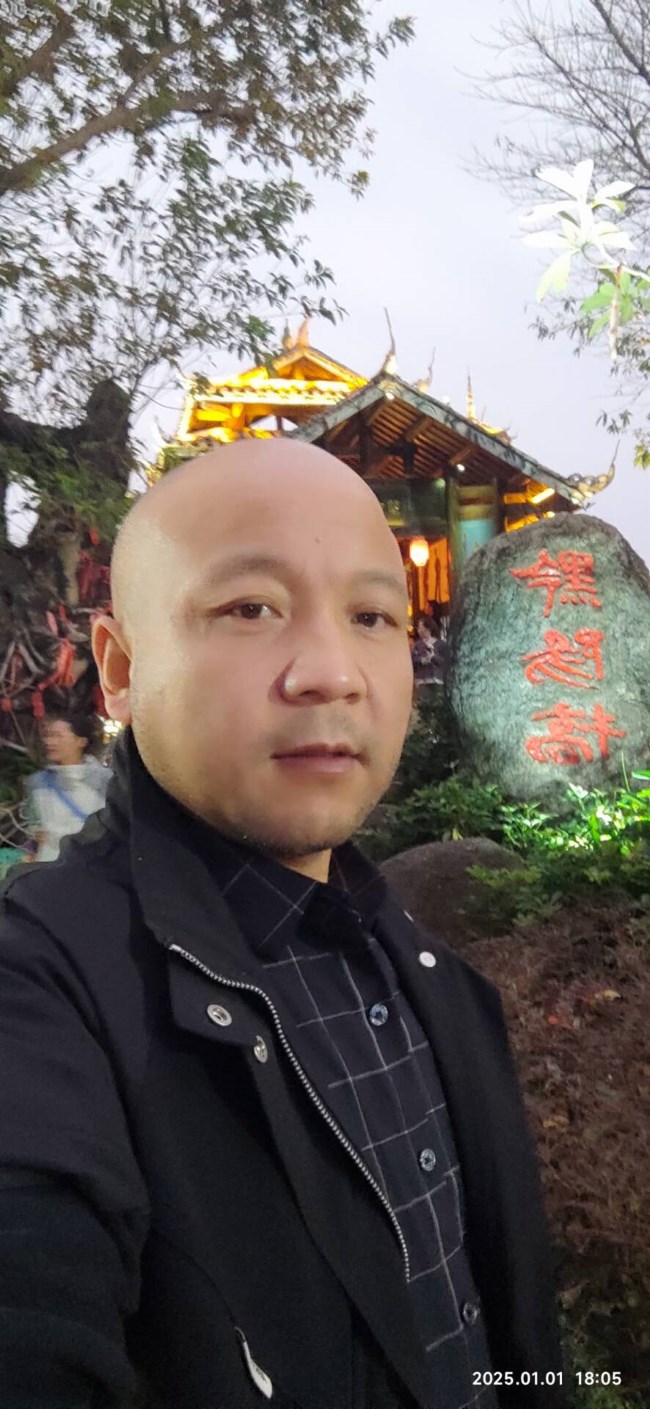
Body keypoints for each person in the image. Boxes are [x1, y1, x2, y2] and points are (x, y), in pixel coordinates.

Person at [0, 440, 565, 1409]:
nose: (331, 673)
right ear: (120, 668)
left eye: (372, 617)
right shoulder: (43, 993)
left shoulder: (429, 973)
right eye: (250, 608)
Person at [23, 712, 111, 861]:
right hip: (49, 862)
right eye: (48, 736)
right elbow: (33, 826)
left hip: (91, 863)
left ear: (81, 741)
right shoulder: (38, 782)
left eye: (58, 736)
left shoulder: (104, 780)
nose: (50, 742)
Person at [411, 617, 446, 686]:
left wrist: (433, 657)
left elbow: (445, 662)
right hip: (422, 681)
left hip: (437, 682)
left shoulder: (441, 644)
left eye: (420, 627)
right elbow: (412, 660)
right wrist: (421, 660)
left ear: (428, 628)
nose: (418, 630)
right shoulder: (417, 645)